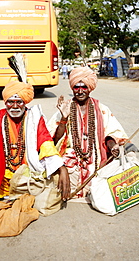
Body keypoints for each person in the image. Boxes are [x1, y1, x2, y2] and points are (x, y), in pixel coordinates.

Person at [47, 66, 130, 201]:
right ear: (72, 88)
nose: (80, 91)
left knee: (103, 189)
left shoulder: (102, 109)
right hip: (72, 160)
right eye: (76, 87)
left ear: (89, 88)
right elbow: (54, 139)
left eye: (84, 87)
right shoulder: (66, 107)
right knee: (60, 184)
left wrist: (113, 146)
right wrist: (63, 118)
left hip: (96, 158)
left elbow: (110, 132)